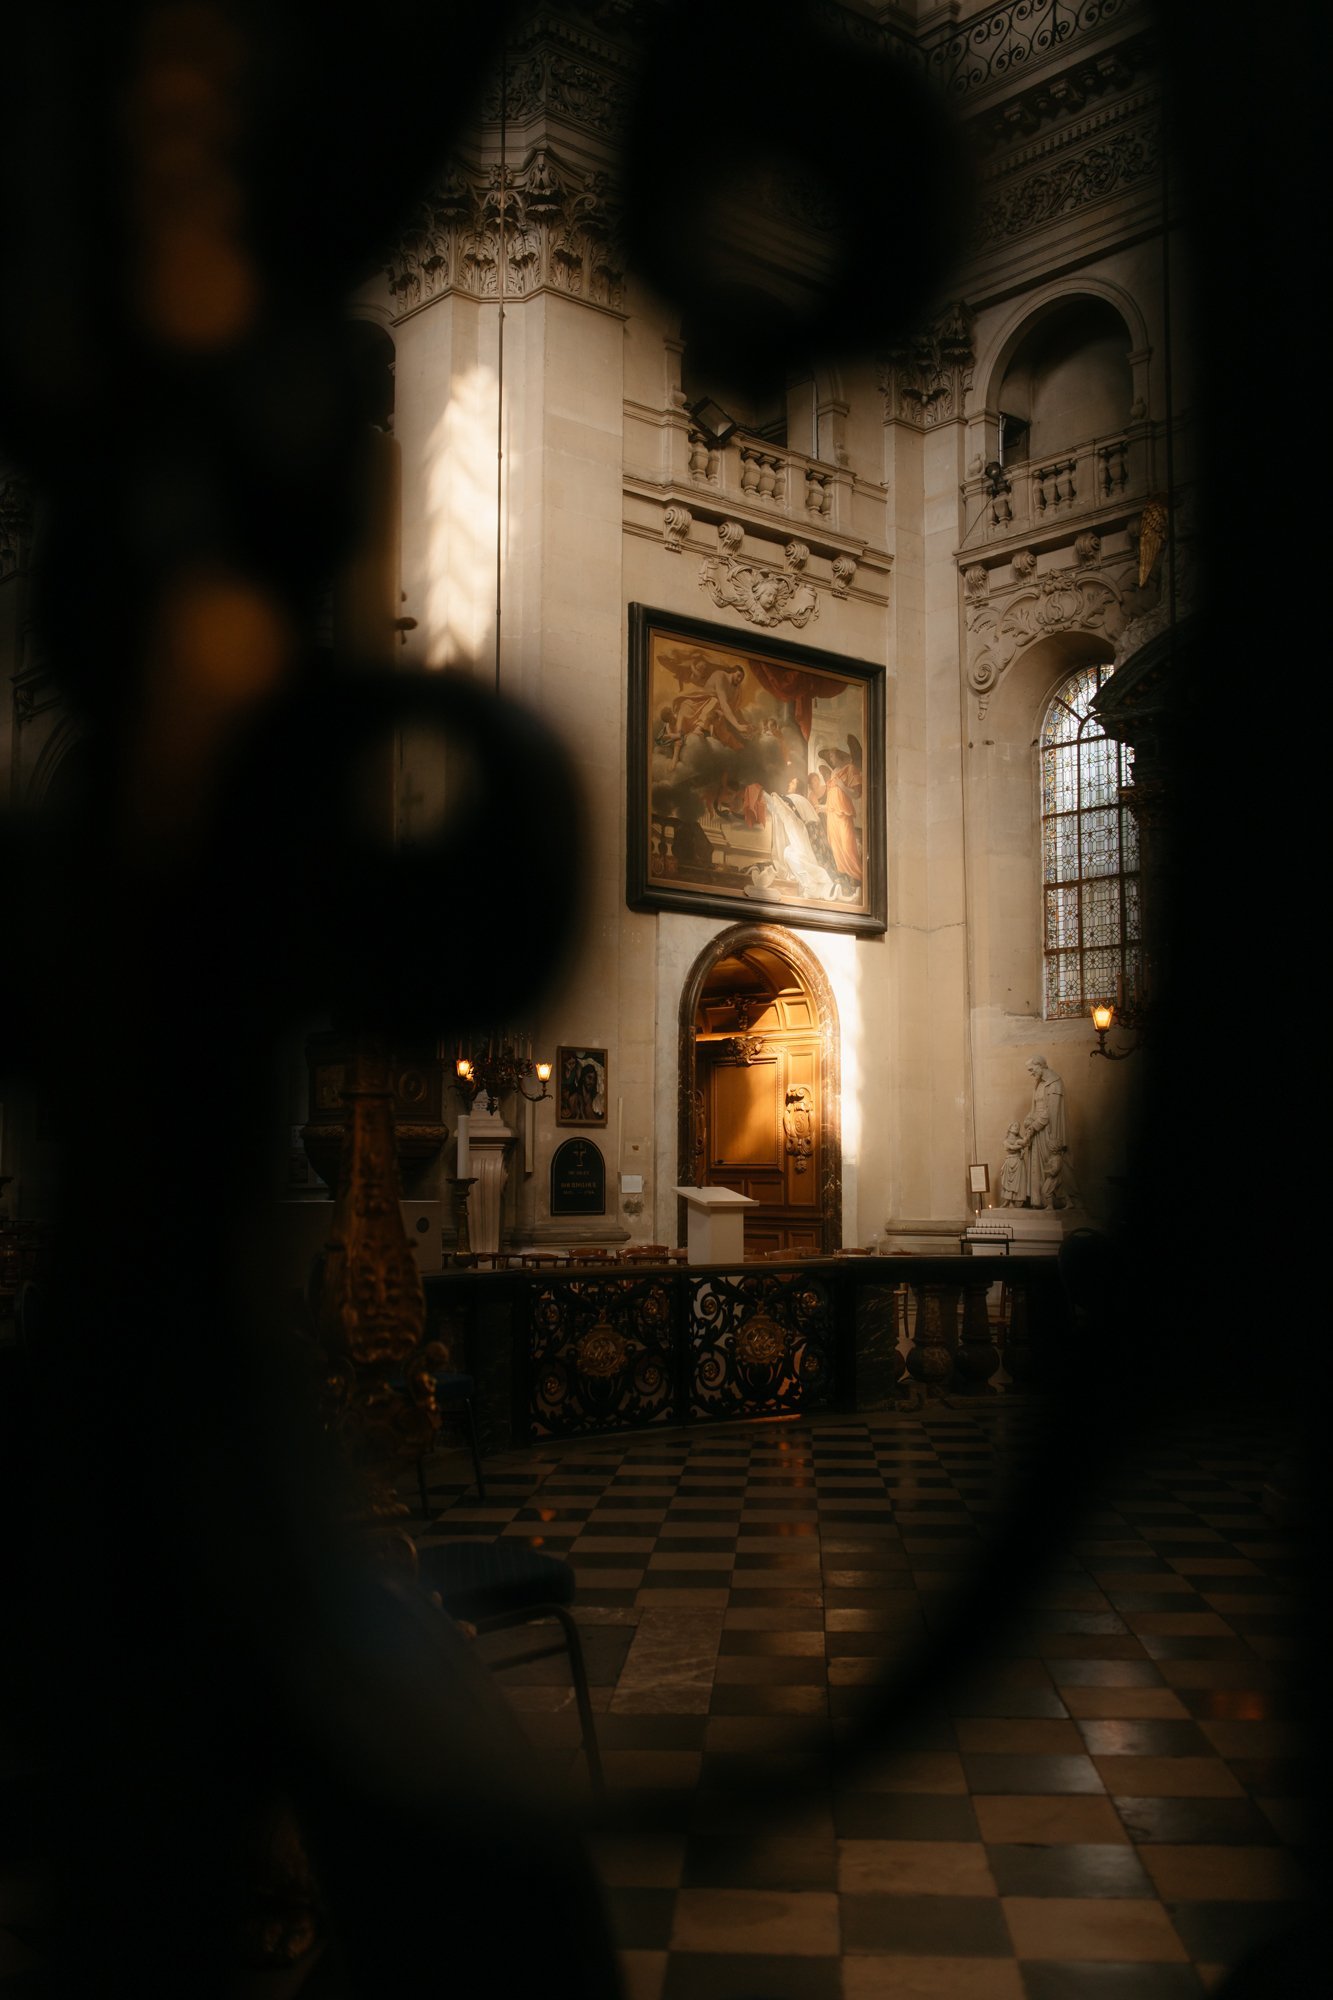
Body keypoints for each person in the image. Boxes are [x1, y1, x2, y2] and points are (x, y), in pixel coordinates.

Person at [1020, 1055, 1074, 1209]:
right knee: (1041, 1167)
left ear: (1040, 1065)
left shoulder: (1054, 1083)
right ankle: (1043, 1201)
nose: (1031, 1073)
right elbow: (1035, 1108)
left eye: (1032, 1069)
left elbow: (1051, 1112)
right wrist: (1028, 1119)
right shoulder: (1038, 1084)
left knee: (1052, 1167)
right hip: (1038, 1131)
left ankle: (1064, 1199)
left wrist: (1034, 1126)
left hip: (1049, 1132)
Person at [998, 1121, 1029, 1207]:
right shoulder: (1006, 1140)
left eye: (1018, 1126)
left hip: (1018, 1161)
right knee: (1008, 1183)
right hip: (1010, 1161)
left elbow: (1026, 1142)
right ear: (1010, 1128)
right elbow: (1011, 1147)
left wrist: (1022, 1148)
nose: (1017, 1127)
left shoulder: (1020, 1139)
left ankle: (1014, 1201)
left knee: (1017, 1183)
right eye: (1015, 1126)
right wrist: (1021, 1146)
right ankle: (1008, 1200)